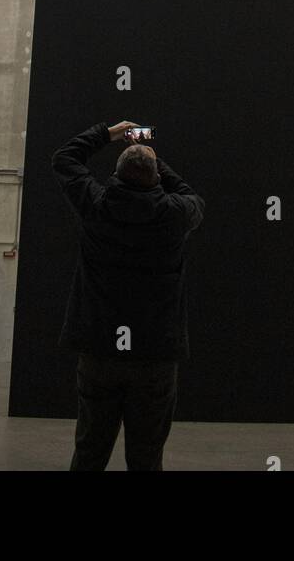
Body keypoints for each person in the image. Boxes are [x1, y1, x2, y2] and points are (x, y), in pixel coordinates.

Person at [52, 120, 204, 471]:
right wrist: (155, 161)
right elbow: (194, 197)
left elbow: (64, 159)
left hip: (100, 353)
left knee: (89, 453)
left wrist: (108, 133)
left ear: (116, 174)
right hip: (155, 357)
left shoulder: (97, 205)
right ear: (155, 177)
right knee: (147, 458)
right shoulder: (174, 215)